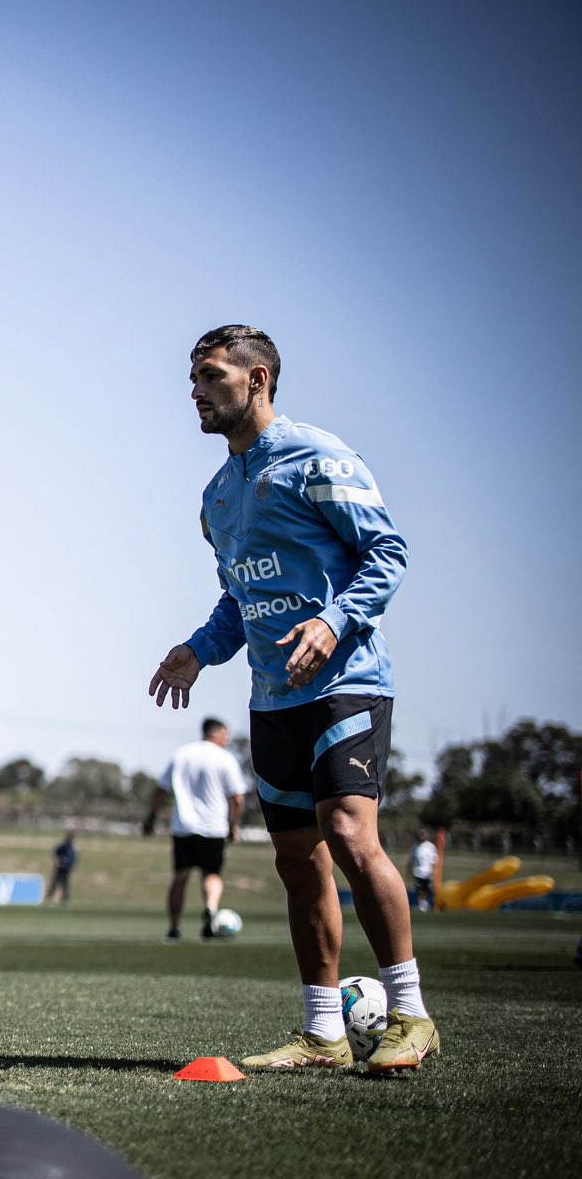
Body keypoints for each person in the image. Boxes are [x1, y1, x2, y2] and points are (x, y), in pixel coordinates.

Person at [148, 325, 435, 1073]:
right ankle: (323, 1033)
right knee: (297, 863)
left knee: (349, 832)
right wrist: (195, 651)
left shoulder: (319, 457)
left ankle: (412, 1014)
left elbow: (389, 551)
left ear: (258, 379)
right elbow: (236, 604)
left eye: (210, 375)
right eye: (194, 377)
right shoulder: (216, 499)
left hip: (347, 683)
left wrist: (334, 622)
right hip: (271, 701)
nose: (196, 390)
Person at [144, 718, 247, 939]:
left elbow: (161, 789)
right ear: (216, 733)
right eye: (226, 735)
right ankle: (211, 907)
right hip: (214, 826)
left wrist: (151, 818)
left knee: (180, 876)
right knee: (212, 874)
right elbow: (237, 798)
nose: (227, 740)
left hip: (183, 825)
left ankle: (174, 926)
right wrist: (234, 824)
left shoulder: (181, 754)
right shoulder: (225, 758)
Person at [408, 829, 438, 912]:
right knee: (420, 889)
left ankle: (426, 904)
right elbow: (412, 859)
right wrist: (409, 870)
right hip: (418, 872)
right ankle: (421, 905)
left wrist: (434, 871)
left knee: (427, 889)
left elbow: (434, 860)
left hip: (428, 872)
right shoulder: (416, 846)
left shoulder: (431, 846)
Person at [45, 831, 77, 906]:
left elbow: (73, 859)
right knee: (55, 883)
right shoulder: (62, 846)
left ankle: (65, 900)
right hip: (59, 868)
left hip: (67, 869)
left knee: (65, 885)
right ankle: (50, 898)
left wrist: (70, 866)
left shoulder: (72, 848)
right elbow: (56, 852)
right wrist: (57, 861)